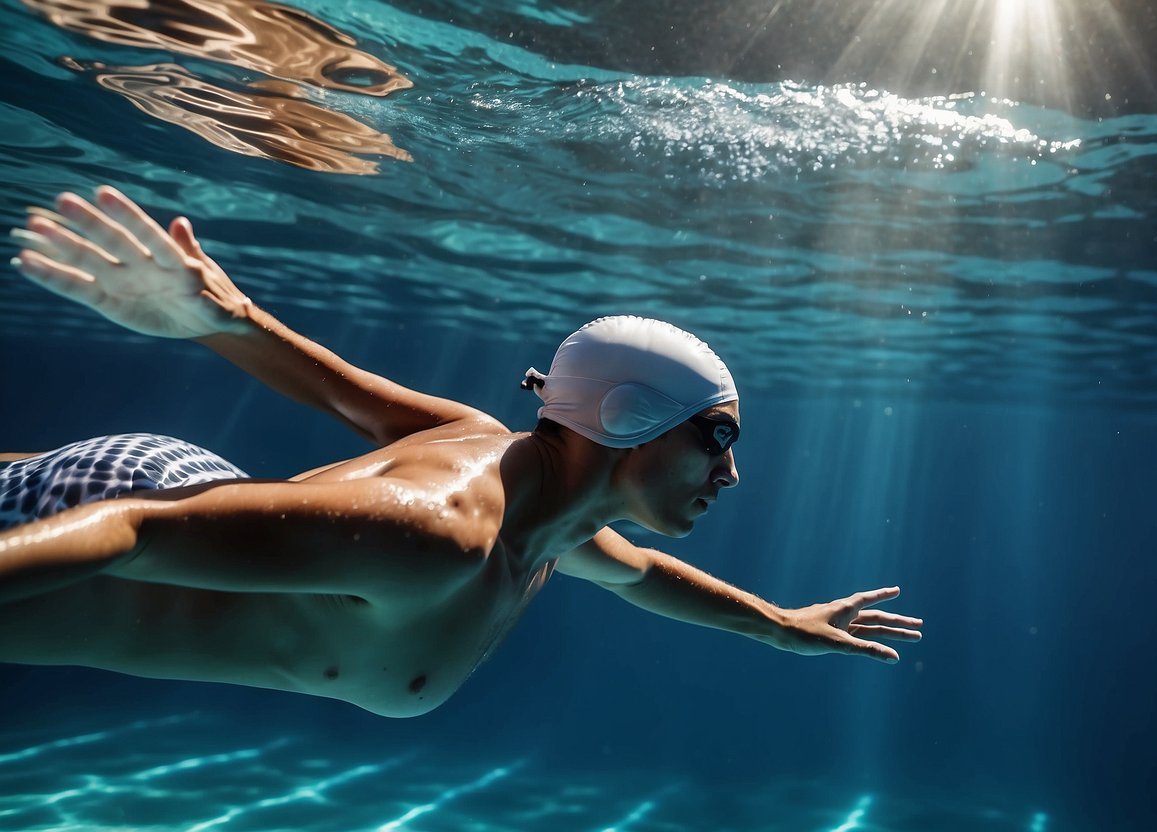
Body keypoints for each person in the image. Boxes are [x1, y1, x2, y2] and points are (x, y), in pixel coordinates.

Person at [1, 186, 922, 717]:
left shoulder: (557, 520)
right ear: (630, 415)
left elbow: (344, 396)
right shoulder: (437, 536)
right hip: (85, 527)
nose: (731, 473)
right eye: (717, 436)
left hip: (162, 494)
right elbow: (135, 530)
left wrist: (778, 624)